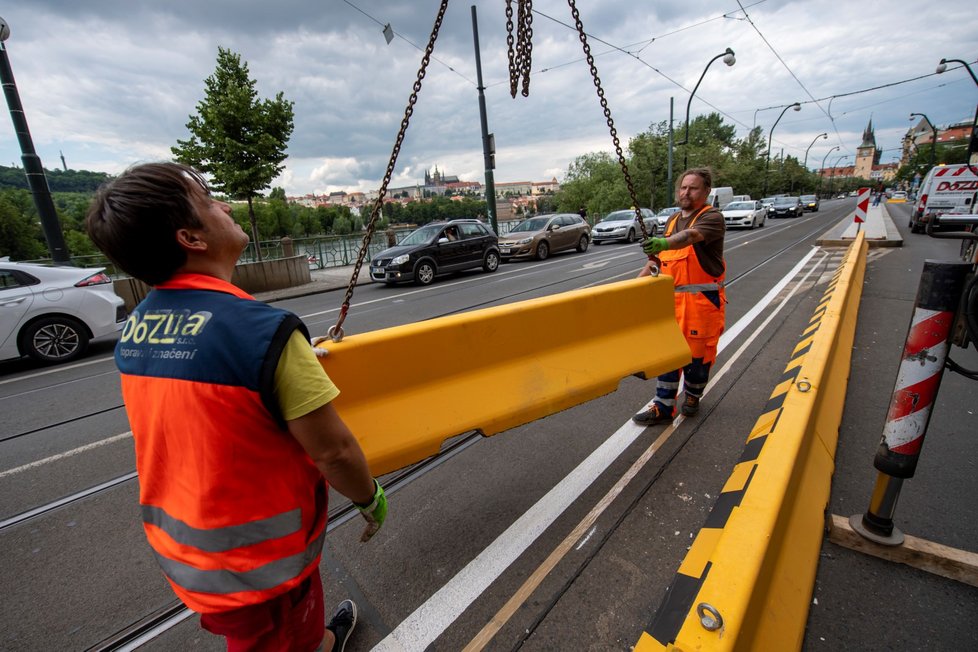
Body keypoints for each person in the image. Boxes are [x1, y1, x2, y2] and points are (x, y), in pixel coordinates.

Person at [85, 162, 387, 652]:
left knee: (290, 635)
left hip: (188, 550)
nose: (224, 206)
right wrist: (370, 499)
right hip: (258, 568)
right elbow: (333, 453)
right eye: (209, 202)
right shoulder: (262, 332)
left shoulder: (139, 324)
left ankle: (323, 640)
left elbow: (203, 396)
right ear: (192, 238)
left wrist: (277, 369)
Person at [632, 167, 726, 426]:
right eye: (683, 187)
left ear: (706, 191)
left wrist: (664, 243)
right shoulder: (673, 220)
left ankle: (694, 395)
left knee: (697, 357)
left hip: (701, 304)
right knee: (668, 353)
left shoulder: (712, 217)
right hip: (671, 303)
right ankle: (663, 406)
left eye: (693, 188)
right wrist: (631, 288)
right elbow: (659, 262)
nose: (686, 192)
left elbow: (691, 237)